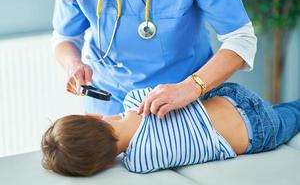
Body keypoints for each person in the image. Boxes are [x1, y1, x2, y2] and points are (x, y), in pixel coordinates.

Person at [53, 0, 257, 116]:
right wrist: (73, 64)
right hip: (109, 100)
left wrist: (191, 87)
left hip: (184, 100)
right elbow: (65, 37)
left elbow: (240, 38)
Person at [41, 83, 300, 176]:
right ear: (95, 117)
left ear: (105, 165)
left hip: (259, 133)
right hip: (233, 97)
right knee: (286, 109)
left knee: (294, 114)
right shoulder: (137, 99)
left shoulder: (140, 163)